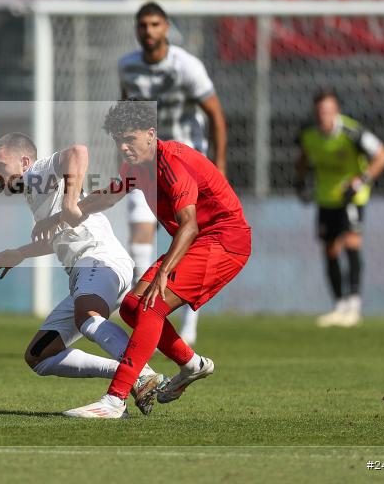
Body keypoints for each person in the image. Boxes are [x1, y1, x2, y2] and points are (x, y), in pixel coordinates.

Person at [32, 101, 251, 419]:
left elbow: (189, 224)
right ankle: (191, 364)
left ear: (151, 134)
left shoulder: (171, 162)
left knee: (152, 305)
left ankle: (115, 400)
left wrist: (165, 271)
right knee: (134, 307)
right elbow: (108, 196)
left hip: (224, 240)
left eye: (130, 139)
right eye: (118, 140)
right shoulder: (134, 169)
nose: (124, 147)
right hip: (200, 241)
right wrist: (63, 216)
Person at [0, 133, 164, 415]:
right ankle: (129, 373)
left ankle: (139, 373)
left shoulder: (37, 173)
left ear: (25, 162)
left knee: (86, 317)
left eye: (0, 167)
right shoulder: (35, 193)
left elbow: (77, 151)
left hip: (98, 259)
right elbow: (58, 237)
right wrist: (20, 253)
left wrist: (69, 203)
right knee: (39, 356)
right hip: (88, 271)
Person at [117, 1, 227, 347]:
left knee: (189, 236)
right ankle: (142, 307)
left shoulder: (187, 67)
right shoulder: (127, 66)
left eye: (154, 25)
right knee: (139, 229)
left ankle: (189, 323)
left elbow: (215, 113)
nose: (148, 31)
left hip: (185, 164)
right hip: (146, 165)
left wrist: (219, 165)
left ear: (165, 27)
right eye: (143, 25)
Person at [295, 91, 384, 328]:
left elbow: (383, 155)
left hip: (351, 196)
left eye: (328, 111)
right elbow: (304, 158)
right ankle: (339, 305)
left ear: (336, 111)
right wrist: (300, 182)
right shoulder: (308, 134)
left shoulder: (352, 132)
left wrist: (360, 181)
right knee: (330, 249)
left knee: (351, 242)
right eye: (320, 112)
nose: (324, 116)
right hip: (326, 198)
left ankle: (354, 306)